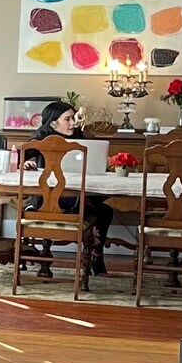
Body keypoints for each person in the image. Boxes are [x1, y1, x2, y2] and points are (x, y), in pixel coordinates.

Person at [21, 100, 115, 275]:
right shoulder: (42, 136)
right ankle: (96, 258)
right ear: (53, 123)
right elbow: (20, 157)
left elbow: (95, 154)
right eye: (68, 119)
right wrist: (25, 162)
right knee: (101, 209)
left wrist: (84, 130)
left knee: (104, 210)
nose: (73, 123)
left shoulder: (78, 134)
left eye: (74, 118)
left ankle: (96, 255)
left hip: (75, 196)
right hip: (50, 199)